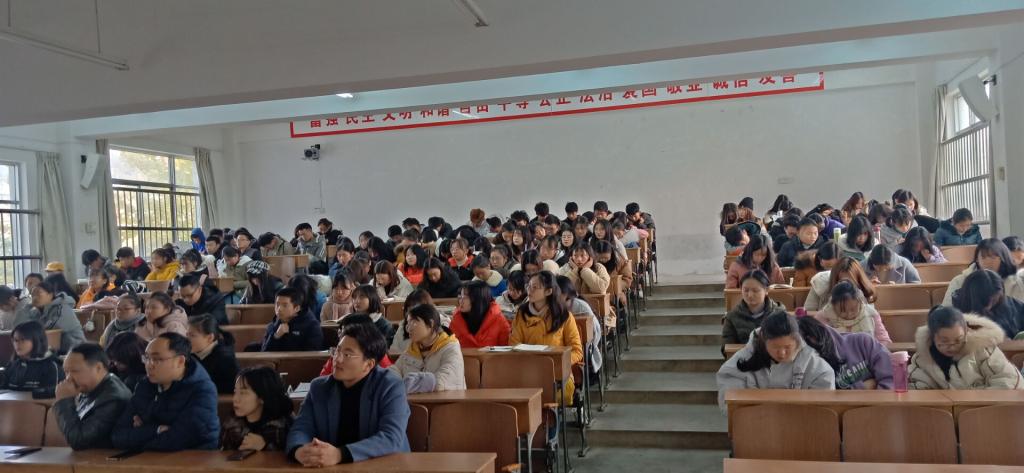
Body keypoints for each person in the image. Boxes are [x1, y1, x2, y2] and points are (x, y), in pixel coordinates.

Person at [287, 323, 410, 465]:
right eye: (337, 351)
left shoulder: (390, 386)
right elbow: (301, 428)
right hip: (333, 467)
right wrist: (299, 450)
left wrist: (340, 454)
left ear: (368, 364)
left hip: (384, 465)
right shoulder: (319, 387)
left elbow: (391, 437)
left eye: (347, 355)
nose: (337, 359)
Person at [112, 333, 220, 451]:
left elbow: (176, 440)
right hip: (151, 457)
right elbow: (118, 436)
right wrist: (157, 430)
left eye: (157, 359)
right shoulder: (145, 385)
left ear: (180, 361)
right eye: (146, 358)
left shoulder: (202, 390)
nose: (149, 365)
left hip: (194, 458)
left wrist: (141, 432)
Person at [716, 312, 835, 408]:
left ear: (797, 342)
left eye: (787, 347)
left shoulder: (814, 364)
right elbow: (729, 382)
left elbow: (822, 407)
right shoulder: (749, 354)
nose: (782, 353)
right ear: (764, 342)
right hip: (757, 421)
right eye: (775, 347)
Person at [510, 271, 584, 404]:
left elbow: (577, 351)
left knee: (551, 394)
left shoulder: (564, 316)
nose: (529, 290)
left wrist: (558, 364)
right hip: (528, 372)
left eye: (535, 287)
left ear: (548, 291)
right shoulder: (521, 314)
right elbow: (514, 345)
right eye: (528, 286)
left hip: (557, 375)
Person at [909, 306, 1024, 389]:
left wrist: (976, 403)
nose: (952, 347)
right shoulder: (923, 358)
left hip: (987, 409)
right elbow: (917, 386)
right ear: (932, 338)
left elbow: (1009, 380)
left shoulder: (983, 349)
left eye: (958, 340)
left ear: (966, 331)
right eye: (944, 341)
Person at [52, 343, 132, 449]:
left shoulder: (113, 398)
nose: (68, 378)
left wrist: (64, 400)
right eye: (66, 372)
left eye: (75, 371)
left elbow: (78, 440)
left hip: (105, 457)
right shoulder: (90, 387)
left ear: (98, 367)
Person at [796, 312, 893, 390]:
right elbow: (827, 398)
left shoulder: (863, 342)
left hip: (880, 406)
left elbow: (891, 379)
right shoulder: (803, 365)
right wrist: (864, 387)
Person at [389, 304, 465, 393]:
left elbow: (446, 379)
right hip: (413, 401)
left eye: (414, 323)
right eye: (408, 323)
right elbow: (396, 370)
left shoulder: (450, 347)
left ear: (430, 324)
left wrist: (409, 384)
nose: (409, 329)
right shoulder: (412, 349)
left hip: (445, 401)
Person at [221, 366, 294, 451]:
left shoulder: (281, 427)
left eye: (243, 393)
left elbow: (289, 455)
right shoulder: (232, 423)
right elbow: (223, 453)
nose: (235, 399)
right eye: (235, 392)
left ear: (262, 397)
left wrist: (264, 446)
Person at [943, 239, 1024, 306]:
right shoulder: (960, 281)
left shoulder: (1016, 283)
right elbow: (948, 310)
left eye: (993, 257)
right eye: (983, 257)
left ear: (1003, 258)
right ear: (977, 259)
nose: (988, 261)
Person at [952, 269, 1024, 340]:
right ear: (973, 297)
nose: (989, 306)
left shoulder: (1015, 306)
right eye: (984, 301)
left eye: (994, 301)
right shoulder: (957, 312)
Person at [722, 270, 788, 345]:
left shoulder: (779, 313)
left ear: (766, 290)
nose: (750, 295)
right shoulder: (732, 316)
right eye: (746, 290)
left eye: (755, 290)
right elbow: (727, 346)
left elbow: (786, 342)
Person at [19, 281, 86, 354]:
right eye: (32, 295)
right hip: (54, 349)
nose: (35, 297)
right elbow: (20, 327)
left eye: (38, 293)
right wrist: (28, 307)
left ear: (50, 295)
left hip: (76, 349)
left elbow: (52, 330)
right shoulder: (35, 312)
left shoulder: (62, 308)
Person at [814, 281, 891, 343]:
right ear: (833, 305)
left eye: (853, 309)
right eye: (843, 311)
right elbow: (816, 342)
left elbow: (883, 339)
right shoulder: (823, 316)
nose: (849, 314)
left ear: (860, 303)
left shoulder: (870, 313)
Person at [0, 320, 62, 392]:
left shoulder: (51, 366)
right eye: (15, 340)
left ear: (36, 340)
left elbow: (52, 394)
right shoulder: (14, 364)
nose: (17, 344)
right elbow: (3, 388)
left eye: (23, 339)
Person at [260, 287, 324, 352]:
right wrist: (276, 336)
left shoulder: (312, 326)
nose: (279, 309)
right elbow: (264, 352)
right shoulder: (273, 325)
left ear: (297, 308)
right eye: (277, 304)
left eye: (285, 305)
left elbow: (312, 353)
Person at [187, 314, 239, 394]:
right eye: (187, 335)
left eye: (192, 335)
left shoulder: (225, 359)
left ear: (209, 338)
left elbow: (230, 388)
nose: (186, 339)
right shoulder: (193, 353)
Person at [450, 280, 509, 348]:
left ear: (478, 299)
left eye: (465, 297)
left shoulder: (498, 319)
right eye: (460, 296)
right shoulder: (456, 319)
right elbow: (451, 348)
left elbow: (506, 350)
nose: (461, 301)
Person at [804, 257, 877, 311]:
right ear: (835, 280)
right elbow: (808, 311)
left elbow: (870, 316)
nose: (845, 286)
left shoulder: (865, 291)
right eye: (841, 282)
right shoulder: (820, 284)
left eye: (850, 282)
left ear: (858, 280)